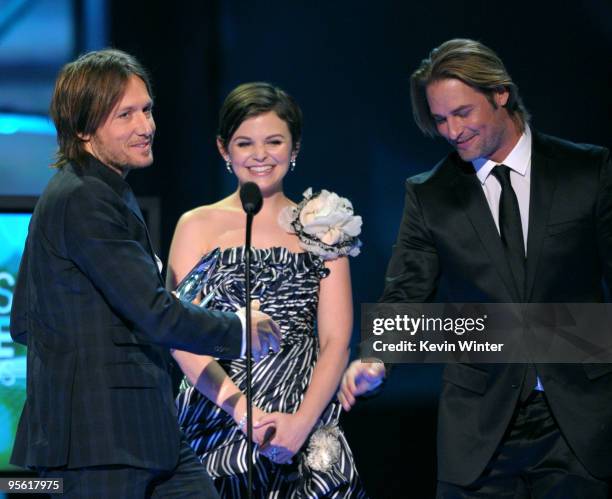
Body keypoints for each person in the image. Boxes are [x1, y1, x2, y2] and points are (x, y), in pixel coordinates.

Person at [339, 39, 612, 497]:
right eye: (440, 120)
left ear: (500, 93)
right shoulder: (430, 194)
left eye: (462, 113)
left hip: (579, 420)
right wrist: (375, 356)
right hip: (481, 430)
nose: (451, 131)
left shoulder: (587, 170)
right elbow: (407, 290)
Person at [10, 49, 281, 498]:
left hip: (143, 434)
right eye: (125, 115)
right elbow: (155, 314)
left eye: (147, 109)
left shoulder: (99, 191)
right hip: (100, 446)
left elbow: (23, 320)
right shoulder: (84, 198)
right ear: (83, 129)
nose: (146, 126)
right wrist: (239, 330)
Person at [167, 82, 367, 497]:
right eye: (245, 143)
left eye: (274, 141)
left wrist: (301, 425)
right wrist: (240, 408)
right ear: (224, 149)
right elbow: (179, 335)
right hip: (216, 417)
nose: (260, 155)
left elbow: (335, 341)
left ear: (294, 148)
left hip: (303, 421)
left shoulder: (323, 226)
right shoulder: (196, 225)